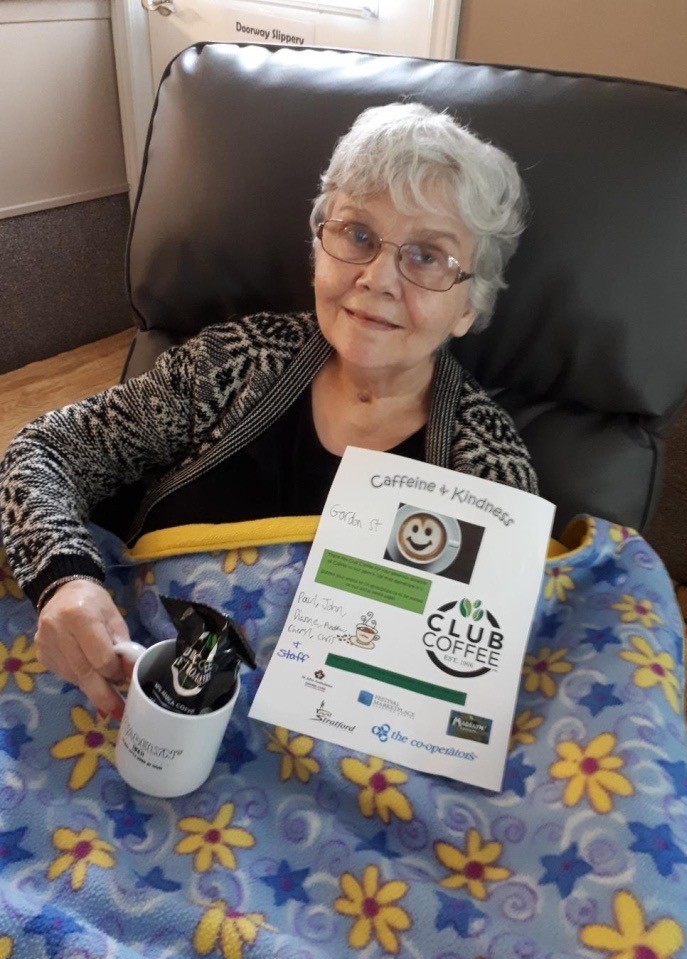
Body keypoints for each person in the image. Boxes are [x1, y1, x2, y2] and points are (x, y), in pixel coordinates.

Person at [0, 102, 537, 719]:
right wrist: (65, 579)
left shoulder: (487, 472)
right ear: (319, 248)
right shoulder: (235, 363)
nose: (378, 278)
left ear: (470, 307)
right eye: (358, 235)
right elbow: (47, 452)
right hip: (122, 692)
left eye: (427, 256)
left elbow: (469, 682)